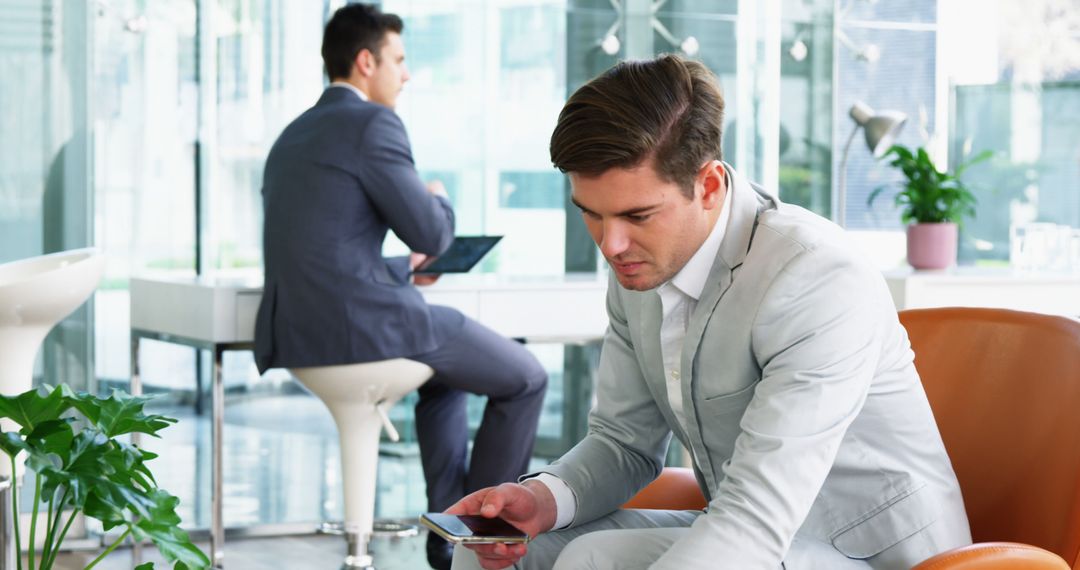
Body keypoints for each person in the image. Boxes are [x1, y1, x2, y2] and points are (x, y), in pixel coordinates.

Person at [448, 54, 971, 570]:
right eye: (592, 214)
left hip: (873, 554)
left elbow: (757, 517)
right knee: (493, 554)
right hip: (751, 534)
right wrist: (542, 500)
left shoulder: (815, 278)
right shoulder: (638, 268)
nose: (610, 244)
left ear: (710, 186)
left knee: (593, 559)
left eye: (637, 215)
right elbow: (624, 443)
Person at [252, 5, 548, 569]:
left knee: (446, 381)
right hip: (364, 329)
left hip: (298, 337)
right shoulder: (372, 124)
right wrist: (437, 195)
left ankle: (447, 539)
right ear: (366, 61)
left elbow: (327, 258)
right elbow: (432, 231)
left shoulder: (293, 134)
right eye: (399, 60)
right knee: (527, 378)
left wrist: (401, 269)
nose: (406, 74)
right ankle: (478, 537)